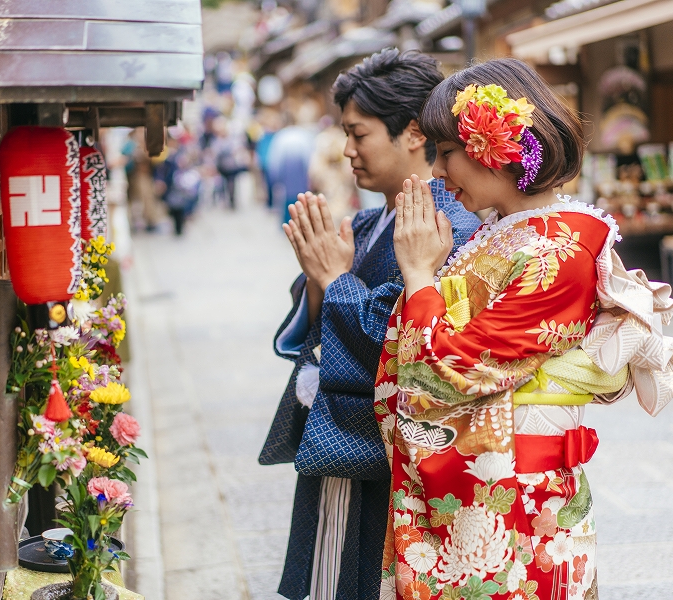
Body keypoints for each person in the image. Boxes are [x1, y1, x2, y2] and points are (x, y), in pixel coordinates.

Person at [375, 58, 673, 600]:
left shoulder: (561, 247)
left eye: (445, 152)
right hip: (506, 477)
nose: (438, 172)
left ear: (491, 145)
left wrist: (421, 276)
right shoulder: (507, 234)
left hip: (522, 496)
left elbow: (451, 372)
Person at [259, 48, 481, 600]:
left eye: (359, 134)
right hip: (345, 432)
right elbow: (319, 327)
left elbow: (404, 340)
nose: (347, 150)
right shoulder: (367, 221)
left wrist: (335, 279)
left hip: (385, 444)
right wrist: (319, 281)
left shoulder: (448, 225)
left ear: (413, 133)